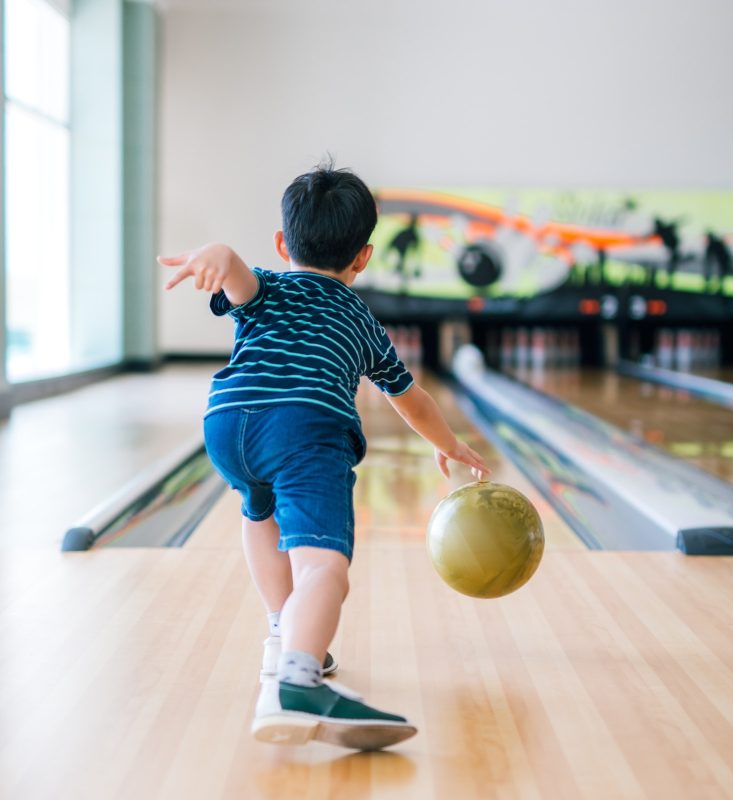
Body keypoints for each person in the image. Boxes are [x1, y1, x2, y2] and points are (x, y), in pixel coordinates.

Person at [158, 163, 489, 751]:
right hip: (305, 428)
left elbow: (233, 273)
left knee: (257, 510)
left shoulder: (267, 287)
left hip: (227, 423)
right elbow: (410, 400)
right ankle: (300, 682)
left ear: (284, 244)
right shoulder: (361, 320)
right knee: (324, 569)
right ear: (363, 258)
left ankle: (285, 632)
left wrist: (217, 253)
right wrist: (451, 446)